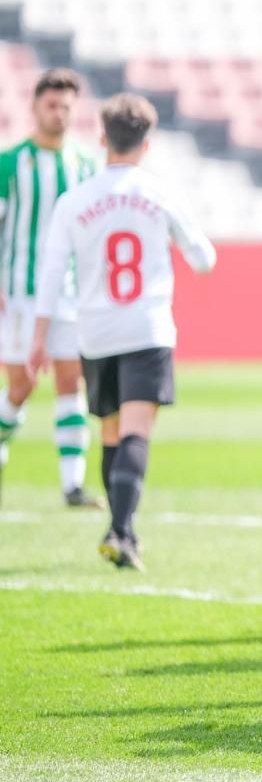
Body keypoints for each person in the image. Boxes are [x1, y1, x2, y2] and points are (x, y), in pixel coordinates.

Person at [29, 93, 216, 570]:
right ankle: (120, 529)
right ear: (146, 144)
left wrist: (39, 337)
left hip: (94, 331)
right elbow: (203, 259)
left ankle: (124, 533)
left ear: (101, 139)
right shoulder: (158, 193)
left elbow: (51, 275)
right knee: (136, 432)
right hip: (147, 327)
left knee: (111, 432)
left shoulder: (76, 200)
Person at [0, 68, 101, 507]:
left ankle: (72, 484)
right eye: (51, 105)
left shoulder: (84, 165)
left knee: (70, 379)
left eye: (66, 107)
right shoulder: (10, 163)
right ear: (35, 107)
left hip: (69, 295)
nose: (58, 114)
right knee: (21, 385)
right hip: (18, 291)